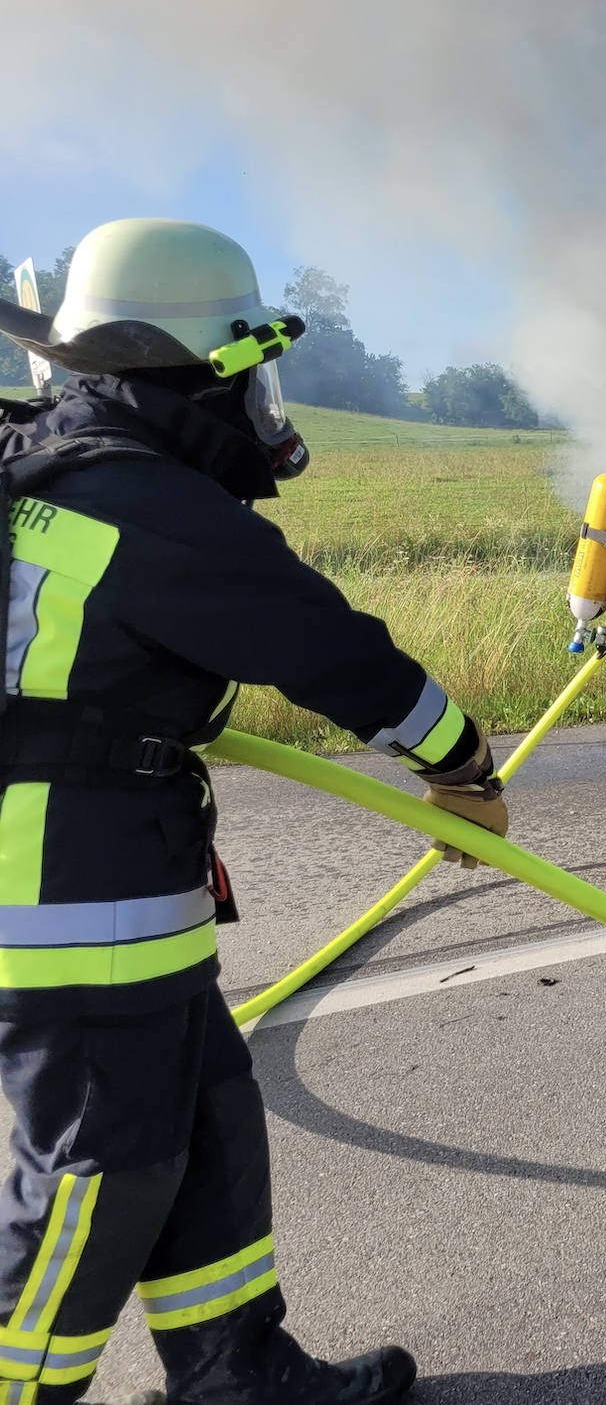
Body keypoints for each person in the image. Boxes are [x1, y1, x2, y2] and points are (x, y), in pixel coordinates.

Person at [0, 218, 511, 1404]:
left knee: (208, 1117)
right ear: (194, 371)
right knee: (99, 1167)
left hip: (120, 882)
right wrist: (459, 758)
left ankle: (235, 1372)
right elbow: (325, 648)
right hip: (64, 899)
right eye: (248, 375)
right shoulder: (145, 502)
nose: (260, 405)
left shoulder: (57, 464)